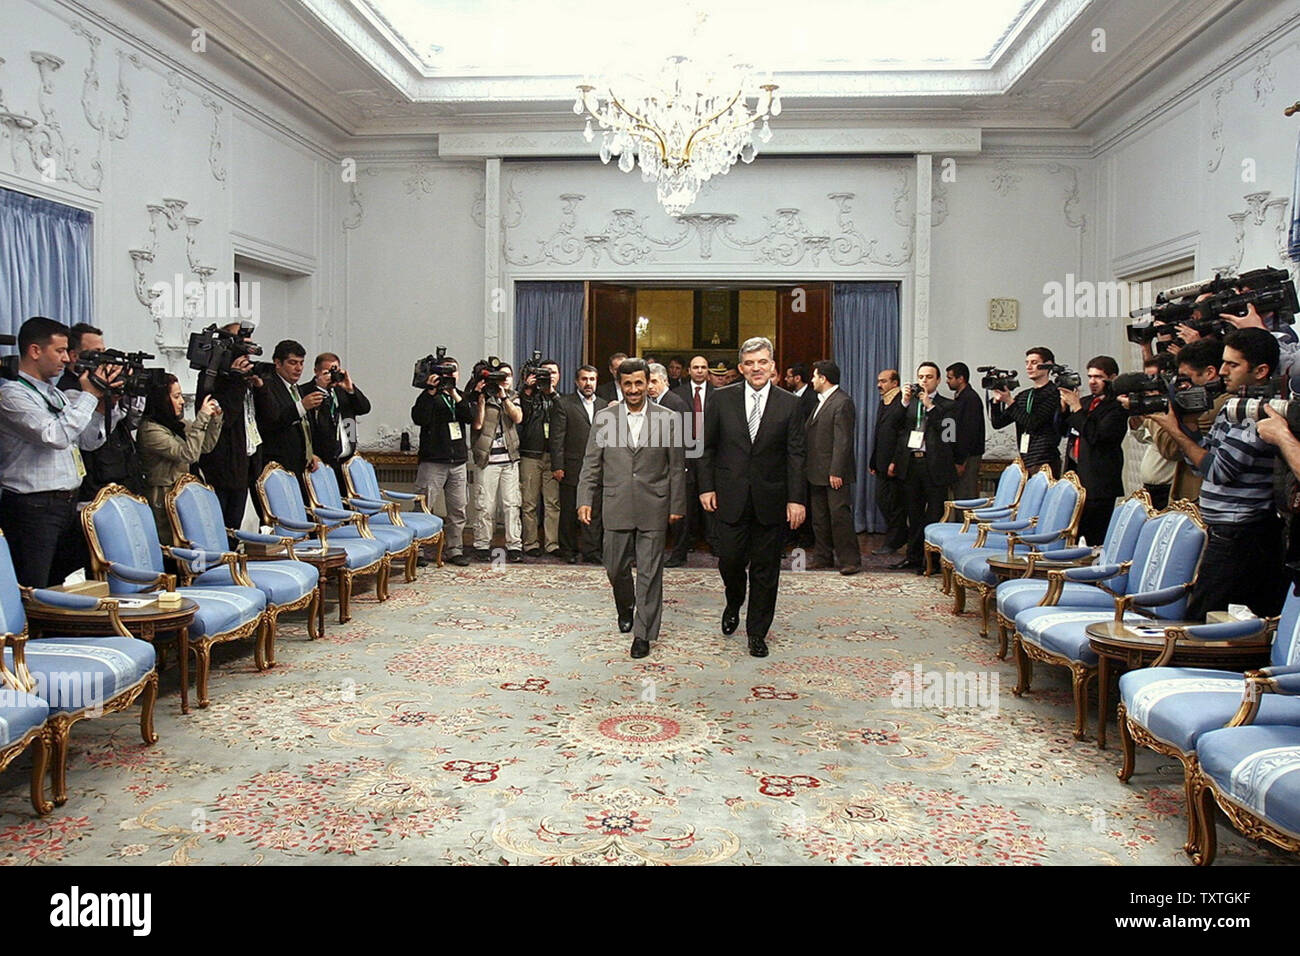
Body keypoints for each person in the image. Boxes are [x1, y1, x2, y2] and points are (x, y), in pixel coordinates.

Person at [1148, 328, 1286, 619]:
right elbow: (1203, 458)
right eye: (1223, 362)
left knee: (1202, 621)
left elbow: (1219, 470)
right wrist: (1186, 425)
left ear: (1261, 371)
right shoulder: (1232, 406)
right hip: (1221, 530)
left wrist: (1174, 430)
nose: (1222, 371)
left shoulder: (1261, 412)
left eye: (1232, 365)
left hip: (1239, 535)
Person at [698, 336, 807, 658]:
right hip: (729, 496)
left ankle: (757, 632)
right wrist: (706, 487)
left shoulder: (791, 403)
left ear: (773, 366)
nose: (756, 368)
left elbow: (797, 454)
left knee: (766, 569)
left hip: (772, 499)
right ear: (741, 368)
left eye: (763, 362)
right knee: (729, 560)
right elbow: (706, 447)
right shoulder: (720, 399)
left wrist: (796, 499)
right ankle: (734, 599)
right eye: (750, 363)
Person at [577, 359, 686, 659]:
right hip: (616, 502)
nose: (635, 389)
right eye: (628, 384)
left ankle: (643, 633)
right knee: (614, 566)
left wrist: (677, 504)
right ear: (620, 384)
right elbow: (591, 463)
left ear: (649, 382)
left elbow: (677, 468)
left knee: (650, 572)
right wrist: (584, 498)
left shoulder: (669, 418)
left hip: (655, 504)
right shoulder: (605, 417)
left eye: (640, 383)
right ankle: (625, 605)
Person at [0, 316, 115, 587]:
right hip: (33, 508)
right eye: (60, 351)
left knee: (63, 580)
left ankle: (60, 628)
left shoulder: (57, 395)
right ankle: (31, 631)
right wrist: (89, 395)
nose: (67, 359)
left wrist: (102, 405)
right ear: (35, 351)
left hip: (66, 505)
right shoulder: (12, 395)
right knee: (34, 585)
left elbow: (87, 441)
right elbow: (55, 436)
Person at [58, 322, 146, 500]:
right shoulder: (70, 391)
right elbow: (89, 439)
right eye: (97, 353)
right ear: (74, 356)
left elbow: (130, 423)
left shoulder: (105, 384)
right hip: (96, 482)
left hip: (122, 472)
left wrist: (125, 393)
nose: (104, 359)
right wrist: (100, 400)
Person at [137, 374, 223, 544]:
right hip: (164, 496)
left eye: (181, 395)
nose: (182, 401)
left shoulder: (177, 423)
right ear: (162, 400)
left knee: (194, 542)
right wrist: (202, 418)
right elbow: (188, 455)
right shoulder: (150, 430)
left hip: (187, 492)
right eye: (176, 397)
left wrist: (214, 420)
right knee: (173, 544)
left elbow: (204, 447)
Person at [196, 321, 265, 529]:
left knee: (234, 528)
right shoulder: (211, 376)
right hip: (222, 468)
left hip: (245, 466)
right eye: (242, 345)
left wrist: (260, 388)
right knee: (221, 530)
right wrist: (235, 380)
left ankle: (233, 560)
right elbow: (224, 420)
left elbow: (266, 417)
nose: (247, 352)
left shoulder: (247, 377)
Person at [891, 362, 957, 573]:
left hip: (935, 467)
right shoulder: (909, 404)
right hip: (911, 464)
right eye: (920, 377)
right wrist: (903, 401)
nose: (924, 381)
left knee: (934, 515)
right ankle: (913, 557)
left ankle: (933, 561)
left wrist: (930, 406)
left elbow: (950, 435)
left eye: (929, 377)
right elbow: (893, 426)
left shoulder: (948, 405)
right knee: (913, 513)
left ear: (937, 380)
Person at [411, 355, 475, 567]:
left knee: (458, 509)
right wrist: (430, 392)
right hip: (433, 461)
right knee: (424, 506)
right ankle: (417, 549)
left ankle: (454, 549)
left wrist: (455, 394)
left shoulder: (459, 397)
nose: (450, 375)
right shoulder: (428, 396)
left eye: (453, 371)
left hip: (457, 461)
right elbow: (419, 418)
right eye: (446, 372)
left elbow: (470, 417)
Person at [1146, 340, 1226, 504]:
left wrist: (1157, 409)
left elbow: (1170, 448)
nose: (1183, 386)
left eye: (1186, 378)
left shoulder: (1213, 407)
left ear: (1210, 372)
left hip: (1202, 501)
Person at [1059, 356, 1125, 545]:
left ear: (1112, 378)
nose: (1092, 382)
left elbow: (1097, 436)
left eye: (1098, 377)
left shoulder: (1116, 407)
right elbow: (1062, 430)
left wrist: (1077, 408)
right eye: (1090, 376)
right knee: (1074, 533)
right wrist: (1064, 409)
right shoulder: (1086, 402)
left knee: (1093, 538)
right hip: (1077, 475)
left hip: (1099, 482)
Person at [805, 360, 860, 574]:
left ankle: (849, 560)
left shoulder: (842, 402)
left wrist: (836, 471)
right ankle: (823, 556)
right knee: (819, 518)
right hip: (817, 472)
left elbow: (843, 440)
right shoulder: (821, 401)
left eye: (814, 376)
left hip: (834, 473)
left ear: (823, 378)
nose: (812, 380)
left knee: (839, 516)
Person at [470, 362, 523, 562]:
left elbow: (517, 418)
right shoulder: (479, 395)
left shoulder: (513, 396)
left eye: (507, 376)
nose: (505, 380)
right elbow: (477, 424)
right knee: (485, 505)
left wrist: (503, 397)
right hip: (488, 460)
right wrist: (482, 400)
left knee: (512, 504)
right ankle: (483, 545)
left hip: (509, 459)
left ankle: (514, 545)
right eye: (501, 377)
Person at [550, 365, 602, 564]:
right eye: (584, 379)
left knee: (594, 511)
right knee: (569, 511)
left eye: (592, 379)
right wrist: (557, 465)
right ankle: (568, 550)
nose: (588, 383)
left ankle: (592, 551)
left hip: (597, 469)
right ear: (576, 381)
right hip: (571, 466)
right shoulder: (564, 404)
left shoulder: (605, 405)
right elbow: (557, 438)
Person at [670, 354, 716, 563]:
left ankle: (714, 541)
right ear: (689, 371)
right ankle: (685, 543)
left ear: (708, 371)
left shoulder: (719, 394)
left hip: (711, 453)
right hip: (686, 453)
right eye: (695, 367)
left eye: (703, 367)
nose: (699, 371)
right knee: (686, 499)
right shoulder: (677, 395)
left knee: (712, 497)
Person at [990, 347, 1063, 477]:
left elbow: (1033, 422)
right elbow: (998, 423)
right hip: (1026, 459)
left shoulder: (1055, 393)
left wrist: (1009, 401)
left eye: (1034, 363)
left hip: (1045, 459)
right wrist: (997, 401)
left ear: (1048, 365)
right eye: (1027, 363)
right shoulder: (1025, 395)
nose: (1029, 367)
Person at [254, 340, 322, 478]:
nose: (299, 368)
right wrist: (302, 406)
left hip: (301, 464)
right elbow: (273, 420)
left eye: (301, 363)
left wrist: (310, 453)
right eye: (293, 363)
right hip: (277, 465)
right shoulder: (267, 387)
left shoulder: (297, 388)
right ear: (278, 363)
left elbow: (305, 427)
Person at [300, 352, 370, 477]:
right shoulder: (305, 392)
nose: (332, 375)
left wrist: (351, 389)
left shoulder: (343, 390)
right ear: (316, 371)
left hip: (346, 462)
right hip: (320, 462)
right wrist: (321, 389)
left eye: (335, 370)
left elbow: (364, 408)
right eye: (327, 372)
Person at [518, 358, 561, 558]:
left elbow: (563, 414)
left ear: (558, 376)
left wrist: (551, 392)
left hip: (552, 456)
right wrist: (528, 390)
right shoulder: (527, 396)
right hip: (530, 455)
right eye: (545, 373)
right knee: (529, 503)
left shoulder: (560, 398)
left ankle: (552, 543)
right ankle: (530, 543)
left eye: (553, 372)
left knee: (552, 503)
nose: (549, 376)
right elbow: (521, 418)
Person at [1125, 352, 1177, 509]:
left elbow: (1167, 446)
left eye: (1153, 379)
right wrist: (1135, 413)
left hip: (1168, 488)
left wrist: (1152, 412)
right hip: (1150, 487)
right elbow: (1144, 437)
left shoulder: (1173, 407)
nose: (1149, 385)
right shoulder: (1152, 405)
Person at [869, 369, 908, 555]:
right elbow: (879, 433)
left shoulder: (901, 402)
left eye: (883, 381)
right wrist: (873, 461)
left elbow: (902, 436)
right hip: (881, 463)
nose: (879, 385)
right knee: (882, 501)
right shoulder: (883, 402)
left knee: (894, 504)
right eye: (878, 381)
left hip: (894, 464)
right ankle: (898, 536)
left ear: (894, 383)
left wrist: (895, 461)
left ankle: (895, 541)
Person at [945, 362, 985, 503]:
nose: (947, 381)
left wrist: (960, 461)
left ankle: (966, 524)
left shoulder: (970, 399)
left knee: (965, 495)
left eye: (950, 378)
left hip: (967, 457)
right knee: (959, 494)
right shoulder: (960, 397)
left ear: (960, 379)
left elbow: (968, 433)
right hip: (961, 455)